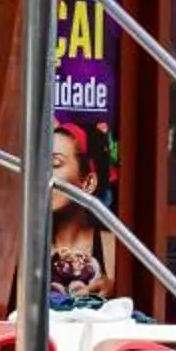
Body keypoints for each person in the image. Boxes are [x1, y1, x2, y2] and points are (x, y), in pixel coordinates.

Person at [48, 120, 116, 304]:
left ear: (88, 183)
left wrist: (112, 290)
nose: (42, 173)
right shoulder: (23, 246)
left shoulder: (112, 248)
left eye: (55, 163)